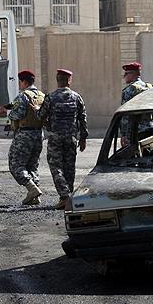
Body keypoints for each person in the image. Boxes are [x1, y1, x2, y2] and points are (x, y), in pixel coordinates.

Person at [37, 69, 88, 209]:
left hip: (55, 138)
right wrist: (83, 138)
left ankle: (65, 196)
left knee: (56, 167)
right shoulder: (76, 97)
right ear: (69, 81)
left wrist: (36, 110)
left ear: (57, 80)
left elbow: (40, 116)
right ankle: (69, 196)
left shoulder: (51, 97)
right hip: (71, 138)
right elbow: (83, 118)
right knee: (69, 167)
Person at [0, 70, 45, 205]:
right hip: (38, 134)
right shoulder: (42, 96)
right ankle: (34, 196)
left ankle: (32, 189)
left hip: (25, 134)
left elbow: (17, 114)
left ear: (23, 82)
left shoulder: (23, 96)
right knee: (32, 165)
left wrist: (7, 112)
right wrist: (8, 107)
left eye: (20, 82)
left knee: (16, 164)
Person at [119, 62, 153, 146]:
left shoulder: (129, 90)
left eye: (126, 73)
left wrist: (123, 134)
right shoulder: (149, 87)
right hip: (150, 129)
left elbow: (125, 114)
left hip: (135, 131)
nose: (124, 76)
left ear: (133, 74)